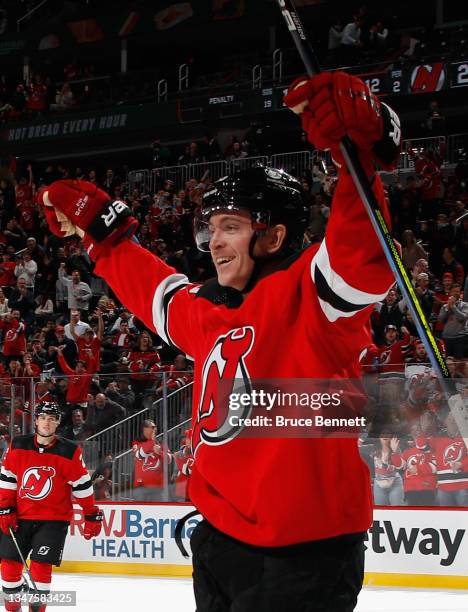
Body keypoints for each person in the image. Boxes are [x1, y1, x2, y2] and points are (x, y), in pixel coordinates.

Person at [40, 70, 401, 610]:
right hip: (218, 541)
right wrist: (102, 235)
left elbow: (361, 256)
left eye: (229, 226)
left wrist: (362, 156)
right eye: (210, 230)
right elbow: (157, 294)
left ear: (274, 235)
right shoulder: (211, 310)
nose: (213, 243)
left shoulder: (311, 296)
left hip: (304, 555)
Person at [0, 401, 102, 612]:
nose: (47, 422)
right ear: (36, 420)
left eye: (52, 419)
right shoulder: (18, 445)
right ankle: (12, 608)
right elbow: (7, 478)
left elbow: (82, 486)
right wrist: (5, 508)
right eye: (43, 418)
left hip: (53, 520)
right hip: (20, 517)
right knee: (9, 567)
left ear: (57, 423)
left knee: (40, 568)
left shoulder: (70, 451)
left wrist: (90, 514)